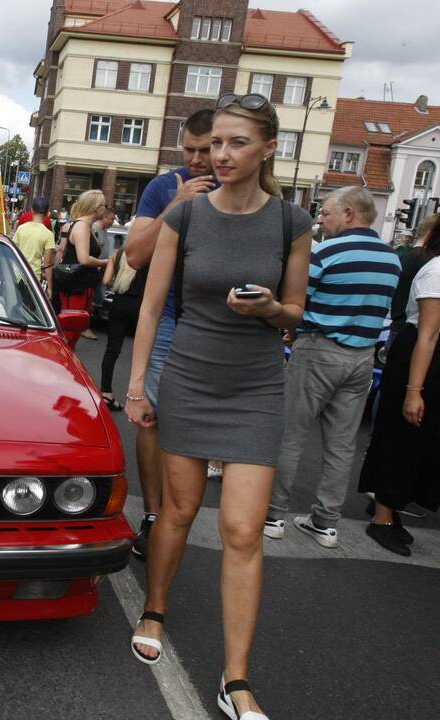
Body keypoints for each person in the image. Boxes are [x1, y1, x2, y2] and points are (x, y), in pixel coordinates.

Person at [124, 93, 313, 720]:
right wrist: (137, 387)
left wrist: (269, 311)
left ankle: (235, 680)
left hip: (257, 387)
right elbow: (150, 307)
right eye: (216, 144)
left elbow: (295, 313)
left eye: (236, 143)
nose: (221, 155)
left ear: (267, 149)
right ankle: (155, 607)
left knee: (241, 531)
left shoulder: (291, 221)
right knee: (177, 512)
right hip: (191, 377)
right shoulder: (188, 216)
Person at [265, 187, 401, 547]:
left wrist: (292, 332)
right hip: (362, 358)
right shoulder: (392, 259)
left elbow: (296, 299)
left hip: (319, 350)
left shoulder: (324, 252)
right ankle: (326, 522)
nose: (320, 219)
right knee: (341, 446)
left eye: (326, 213)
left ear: (349, 214)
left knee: (291, 436)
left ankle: (274, 515)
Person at [121, 108, 216, 558]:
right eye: (190, 150)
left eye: (207, 149)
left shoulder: (242, 189)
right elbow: (135, 256)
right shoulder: (164, 187)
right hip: (168, 318)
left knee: (202, 428)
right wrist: (175, 209)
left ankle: (182, 513)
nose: (198, 160)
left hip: (220, 325)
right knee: (152, 419)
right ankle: (155, 515)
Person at [358, 216, 440, 556]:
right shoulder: (437, 270)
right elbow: (428, 333)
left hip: (425, 357)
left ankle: (388, 510)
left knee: (417, 441)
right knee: (403, 437)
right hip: (419, 359)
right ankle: (382, 517)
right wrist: (414, 390)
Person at [99, 245, 148, 411]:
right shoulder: (150, 255)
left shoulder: (118, 254)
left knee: (112, 350)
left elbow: (106, 281)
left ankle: (106, 393)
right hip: (141, 305)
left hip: (119, 303)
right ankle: (140, 397)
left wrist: (119, 280)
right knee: (143, 353)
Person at [56, 189, 109, 339]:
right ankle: (64, 360)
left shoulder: (81, 225)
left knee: (72, 330)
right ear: (97, 207)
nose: (106, 208)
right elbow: (84, 259)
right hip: (77, 286)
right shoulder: (82, 226)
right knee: (71, 331)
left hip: (78, 284)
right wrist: (106, 262)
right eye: (104, 205)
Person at [12, 196, 56, 295]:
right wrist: (50, 288)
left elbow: (13, 251)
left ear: (32, 210)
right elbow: (47, 263)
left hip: (16, 273)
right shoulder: (48, 234)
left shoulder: (21, 228)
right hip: (33, 277)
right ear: (47, 212)